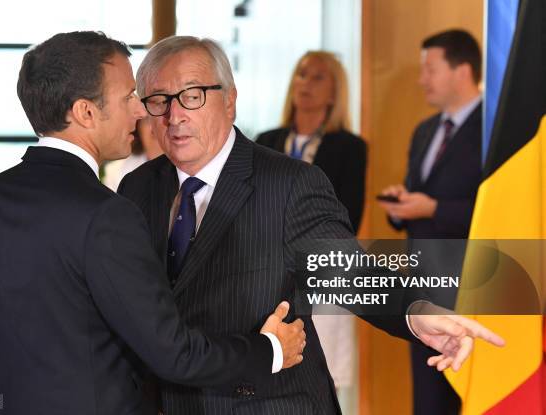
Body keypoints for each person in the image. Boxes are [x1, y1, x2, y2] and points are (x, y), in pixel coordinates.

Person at [118, 35, 503, 414]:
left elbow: (350, 272)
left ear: (230, 100)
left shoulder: (289, 184)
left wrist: (416, 315)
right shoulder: (137, 187)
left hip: (268, 404)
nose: (175, 115)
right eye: (158, 101)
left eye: (192, 95)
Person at [0, 31, 306, 415]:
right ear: (86, 113)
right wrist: (270, 350)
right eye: (129, 96)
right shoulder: (108, 211)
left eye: (191, 97)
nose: (142, 111)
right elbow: (172, 353)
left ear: (230, 101)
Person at [378, 29, 483, 415]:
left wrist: (434, 208)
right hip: (424, 289)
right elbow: (418, 196)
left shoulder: (495, 131)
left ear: (462, 70)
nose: (422, 79)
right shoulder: (425, 131)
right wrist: (401, 206)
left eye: (430, 69)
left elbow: (502, 212)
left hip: (476, 288)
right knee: (428, 401)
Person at [256, 51, 366, 232]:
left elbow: (349, 218)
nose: (306, 83)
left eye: (318, 78)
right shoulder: (264, 141)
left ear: (334, 94)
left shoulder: (351, 148)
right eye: (302, 74)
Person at [103, 118, 162, 190]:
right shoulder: (116, 173)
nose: (153, 129)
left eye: (160, 119)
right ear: (137, 128)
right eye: (147, 120)